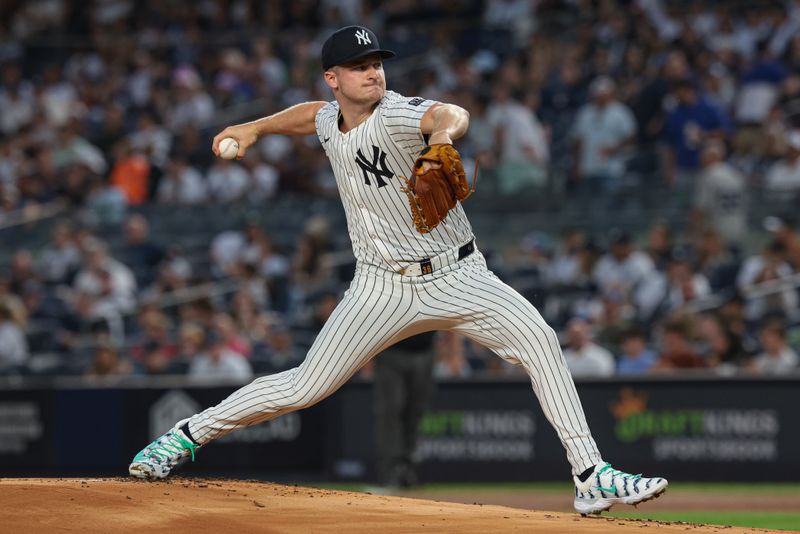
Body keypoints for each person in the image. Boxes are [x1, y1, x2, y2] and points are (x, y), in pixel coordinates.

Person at [129, 25, 667, 515]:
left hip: (459, 275)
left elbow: (450, 113)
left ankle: (591, 475)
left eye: (377, 62)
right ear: (334, 77)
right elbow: (310, 114)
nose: (374, 72)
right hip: (380, 287)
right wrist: (253, 128)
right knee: (303, 388)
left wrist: (442, 139)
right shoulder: (328, 118)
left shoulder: (397, 113)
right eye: (361, 66)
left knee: (541, 340)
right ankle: (186, 434)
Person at [372, 332, 436, 489]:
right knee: (391, 411)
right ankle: (392, 470)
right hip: (390, 351)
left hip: (424, 350)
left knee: (416, 412)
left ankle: (408, 468)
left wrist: (454, 353)